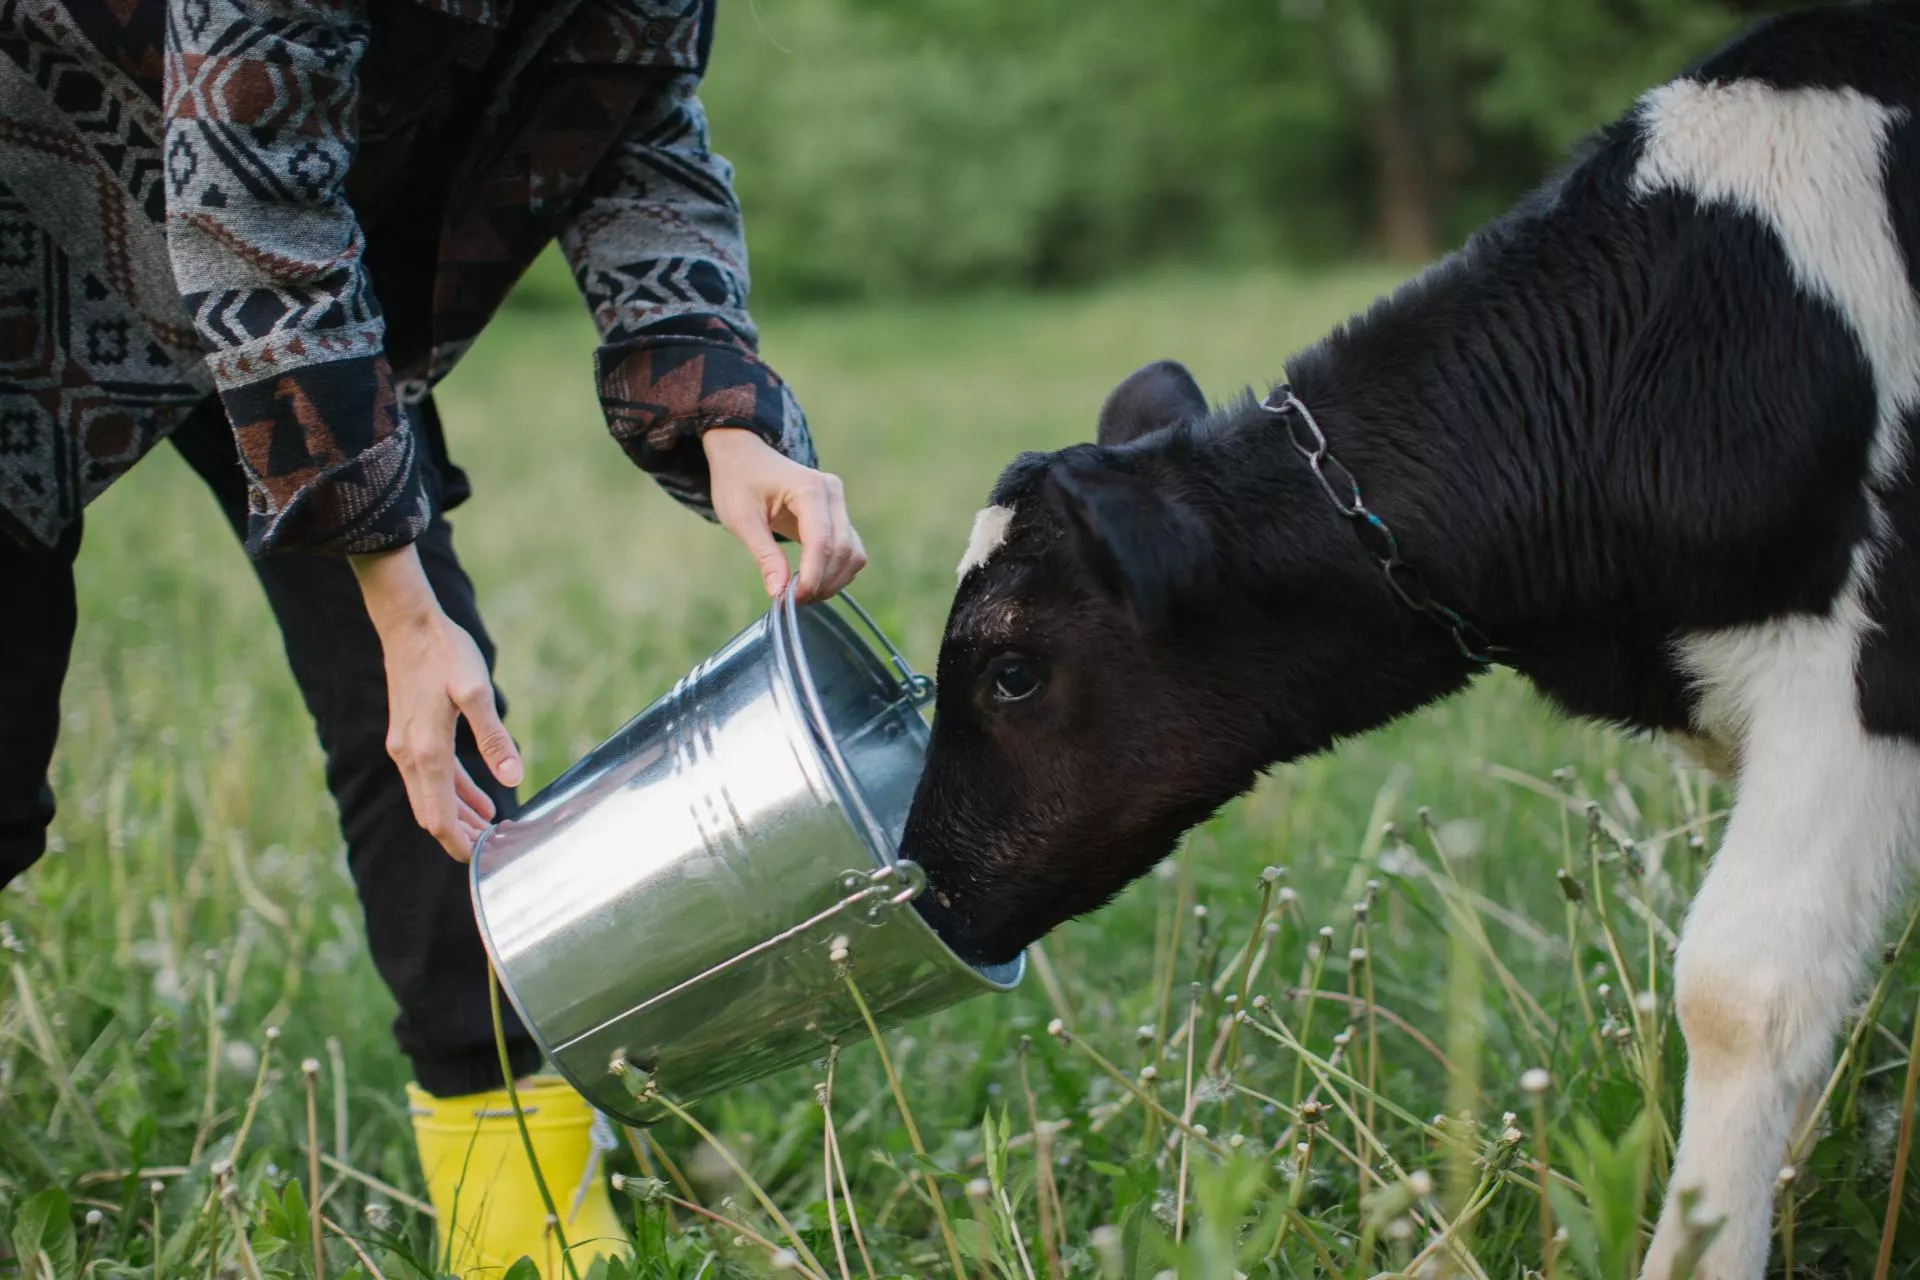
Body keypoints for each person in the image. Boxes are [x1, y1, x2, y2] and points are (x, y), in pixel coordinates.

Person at [0, 1, 863, 1271]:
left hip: (311, 310)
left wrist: (725, 410)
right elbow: (255, 208)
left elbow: (633, 130)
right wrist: (402, 605)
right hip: (40, 210)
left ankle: (520, 1204)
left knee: (439, 738)